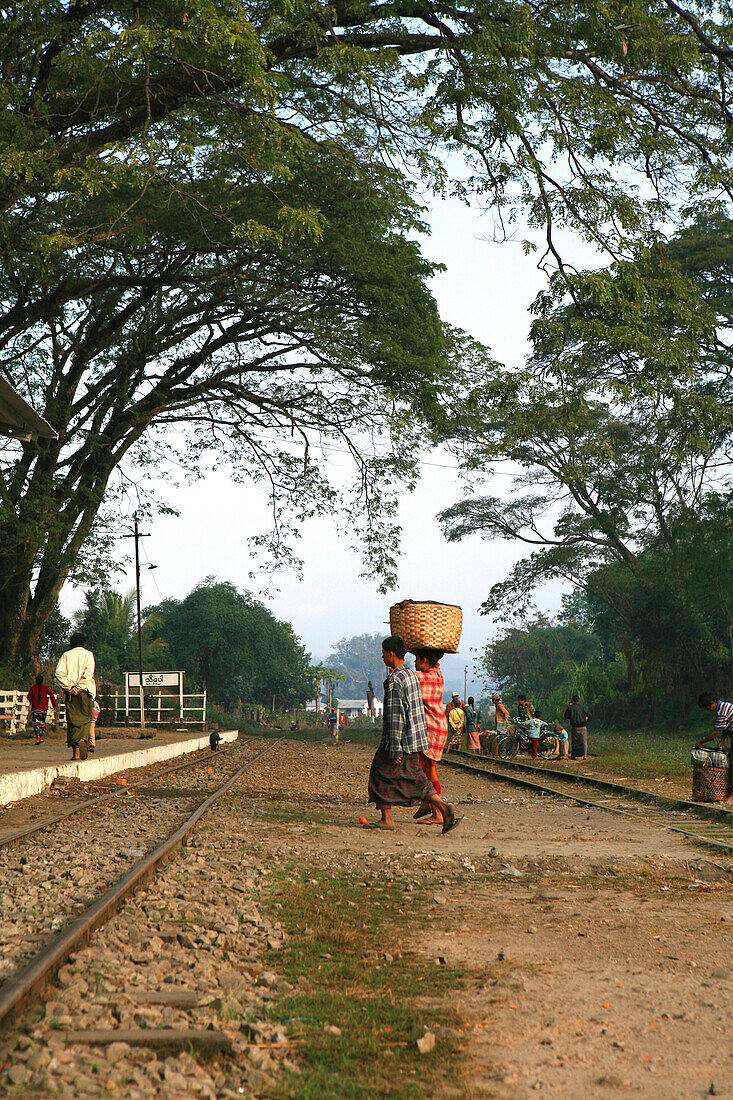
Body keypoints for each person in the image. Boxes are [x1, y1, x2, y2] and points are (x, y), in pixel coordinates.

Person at [368, 636, 458, 833]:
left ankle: (387, 818)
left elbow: (395, 717)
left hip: (402, 740)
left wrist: (395, 748)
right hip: (417, 739)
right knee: (416, 777)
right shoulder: (411, 675)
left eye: (383, 653)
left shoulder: (395, 680)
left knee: (378, 773)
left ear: (391, 654)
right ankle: (442, 807)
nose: (382, 657)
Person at [413, 648, 449, 824]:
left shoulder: (424, 677)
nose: (414, 663)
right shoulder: (438, 674)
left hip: (430, 730)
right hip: (437, 727)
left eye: (416, 659)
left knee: (425, 771)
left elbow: (405, 679)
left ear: (424, 660)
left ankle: (438, 811)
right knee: (429, 770)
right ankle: (429, 803)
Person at [55, 632, 95, 761]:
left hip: (71, 694)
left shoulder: (66, 655)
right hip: (85, 692)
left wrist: (69, 687)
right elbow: (88, 674)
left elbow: (58, 674)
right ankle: (83, 739)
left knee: (72, 721)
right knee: (86, 719)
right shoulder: (88, 655)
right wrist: (79, 687)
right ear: (83, 643)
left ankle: (75, 754)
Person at [696, 692, 733, 802]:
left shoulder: (722, 710)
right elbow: (726, 727)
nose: (709, 709)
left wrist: (701, 742)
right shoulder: (724, 707)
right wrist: (722, 741)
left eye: (708, 707)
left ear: (713, 703)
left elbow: (716, 732)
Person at [27, 674, 56, 745]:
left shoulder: (33, 688)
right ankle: (41, 737)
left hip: (35, 708)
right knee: (42, 723)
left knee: (36, 723)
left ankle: (37, 738)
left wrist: (33, 700)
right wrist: (54, 705)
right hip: (43, 709)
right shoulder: (46, 688)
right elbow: (52, 695)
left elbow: (29, 697)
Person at [564, 694, 591, 761]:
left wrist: (568, 707)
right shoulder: (583, 707)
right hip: (583, 726)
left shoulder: (571, 708)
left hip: (575, 727)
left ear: (572, 700)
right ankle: (584, 755)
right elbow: (590, 716)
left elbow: (566, 716)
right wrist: (586, 720)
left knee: (574, 742)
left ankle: (574, 755)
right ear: (579, 700)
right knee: (584, 741)